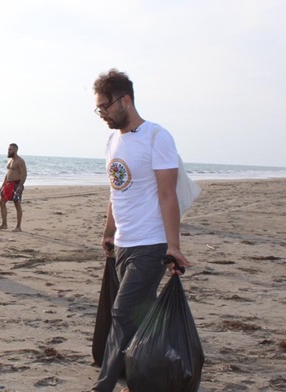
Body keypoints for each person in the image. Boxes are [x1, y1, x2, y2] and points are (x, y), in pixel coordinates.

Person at [91, 69, 191, 392]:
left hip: (150, 244)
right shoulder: (111, 141)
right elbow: (115, 192)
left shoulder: (157, 137)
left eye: (105, 106)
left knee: (121, 313)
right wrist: (109, 232)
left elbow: (167, 194)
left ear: (126, 100)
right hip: (123, 244)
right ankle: (144, 377)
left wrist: (173, 246)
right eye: (99, 109)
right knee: (138, 315)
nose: (102, 114)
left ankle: (103, 385)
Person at [0, 143, 27, 232]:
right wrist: (2, 185)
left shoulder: (20, 161)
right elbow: (8, 174)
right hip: (8, 184)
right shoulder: (10, 161)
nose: (8, 151)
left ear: (15, 150)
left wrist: (20, 186)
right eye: (8, 149)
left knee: (17, 204)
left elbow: (24, 174)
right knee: (1, 202)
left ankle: (18, 226)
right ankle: (4, 224)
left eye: (10, 150)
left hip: (16, 184)